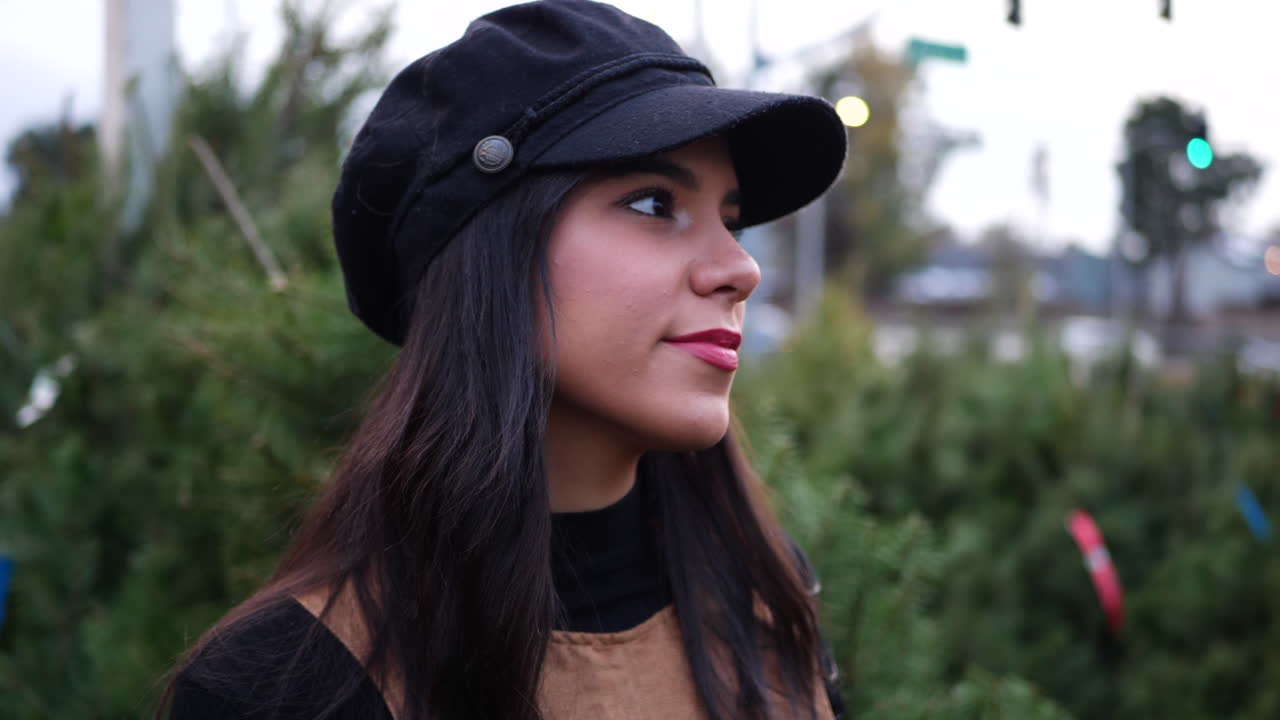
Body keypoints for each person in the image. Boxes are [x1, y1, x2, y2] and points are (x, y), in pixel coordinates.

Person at [161, 1, 848, 718]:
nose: (741, 269)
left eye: (730, 221)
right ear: (491, 256)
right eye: (653, 204)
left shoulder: (769, 611)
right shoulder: (292, 687)